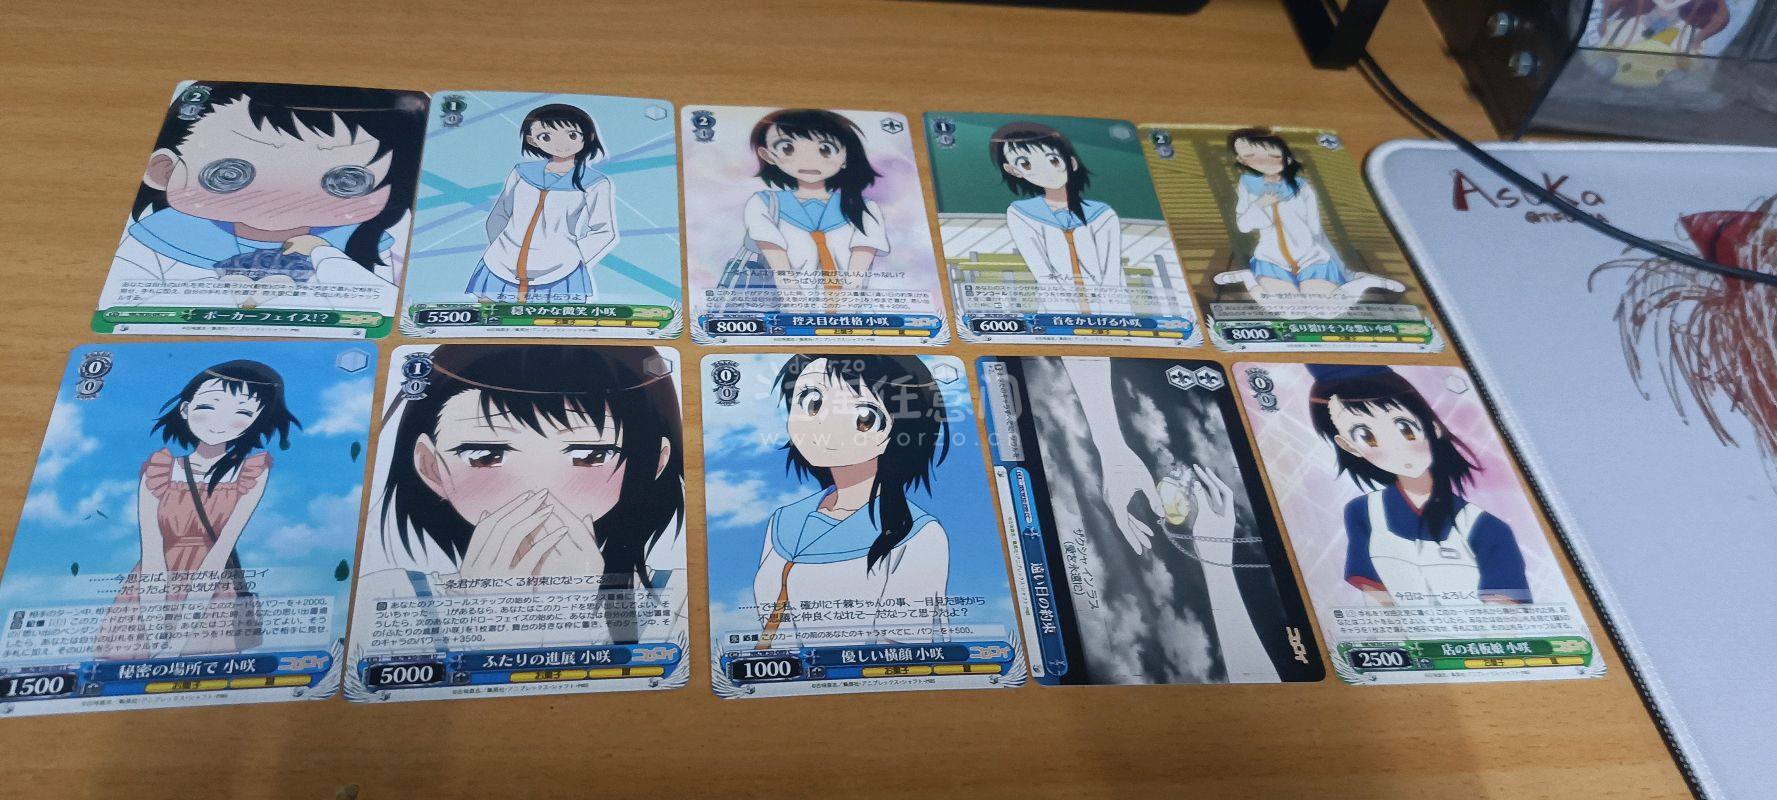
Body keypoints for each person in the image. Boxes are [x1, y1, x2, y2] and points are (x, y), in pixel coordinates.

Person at [363, 345, 683, 644]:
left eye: (590, 455)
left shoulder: (681, 597)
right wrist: (485, 610)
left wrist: (577, 606)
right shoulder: (389, 595)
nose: (538, 488)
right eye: (485, 455)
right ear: (430, 466)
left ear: (652, 461)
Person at [111, 83, 423, 303]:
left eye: (345, 182)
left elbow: (381, 300)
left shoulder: (375, 244)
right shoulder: (159, 236)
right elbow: (131, 300)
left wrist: (322, 254)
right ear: (164, 170)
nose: (284, 199)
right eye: (229, 174)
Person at [98, 360, 300, 659]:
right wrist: (156, 636)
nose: (220, 422)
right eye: (208, 406)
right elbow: (151, 552)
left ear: (257, 421)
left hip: (213, 586)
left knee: (202, 665)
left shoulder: (252, 472)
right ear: (185, 409)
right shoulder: (159, 469)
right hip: (151, 585)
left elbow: (220, 551)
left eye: (242, 413)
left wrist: (178, 641)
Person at [754, 355, 949, 648]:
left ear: (900, 431)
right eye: (812, 402)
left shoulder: (919, 535)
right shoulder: (783, 521)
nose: (823, 425)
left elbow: (900, 650)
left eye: (864, 418)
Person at [1307, 364, 1530, 607]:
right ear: (1349, 446)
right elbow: (1377, 598)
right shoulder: (1362, 513)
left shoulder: (1488, 528)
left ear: (1432, 426)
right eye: (1366, 436)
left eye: (1405, 428)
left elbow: (1507, 611)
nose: (1395, 446)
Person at [466, 104, 618, 303]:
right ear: (532, 140)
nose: (560, 144)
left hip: (559, 275)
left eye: (572, 135)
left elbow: (604, 230)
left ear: (588, 137)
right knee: (489, 317)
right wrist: (503, 247)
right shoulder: (521, 172)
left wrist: (570, 257)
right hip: (499, 267)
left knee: (553, 320)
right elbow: (500, 213)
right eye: (546, 136)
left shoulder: (594, 183)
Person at [741, 109, 887, 307]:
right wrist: (797, 308)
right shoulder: (764, 204)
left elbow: (857, 276)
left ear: (846, 156)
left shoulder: (864, 208)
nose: (809, 161)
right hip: (784, 308)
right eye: (787, 148)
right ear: (768, 155)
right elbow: (781, 273)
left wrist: (844, 309)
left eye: (825, 149)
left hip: (846, 310)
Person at [993, 122, 1127, 314]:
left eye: (1053, 160)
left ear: (1071, 163)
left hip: (1110, 309)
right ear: (1012, 170)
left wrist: (1110, 312)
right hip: (1057, 309)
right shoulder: (1020, 213)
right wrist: (1064, 312)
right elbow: (1042, 271)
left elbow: (1112, 272)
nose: (1045, 171)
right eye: (1026, 164)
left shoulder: (1103, 214)